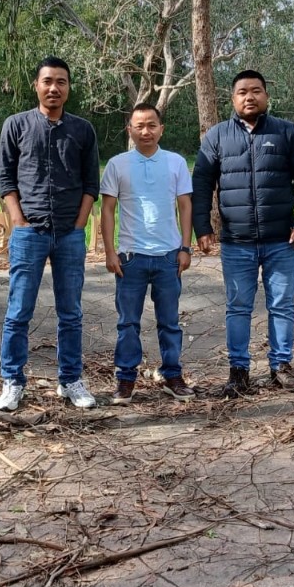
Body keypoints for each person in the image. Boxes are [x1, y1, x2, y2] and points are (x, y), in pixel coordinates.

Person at [191, 69, 294, 398]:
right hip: (236, 242)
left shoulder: (287, 133)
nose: (250, 97)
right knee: (237, 307)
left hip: (281, 239)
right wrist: (202, 226)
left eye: (257, 91)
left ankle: (281, 366)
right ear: (232, 99)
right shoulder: (217, 137)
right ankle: (239, 371)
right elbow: (202, 183)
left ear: (266, 96)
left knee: (281, 305)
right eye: (243, 92)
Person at [0, 57, 100, 411]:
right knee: (18, 310)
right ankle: (12, 381)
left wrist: (80, 225)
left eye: (62, 82)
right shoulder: (17, 125)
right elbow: (6, 180)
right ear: (36, 85)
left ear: (69, 88)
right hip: (29, 234)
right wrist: (19, 223)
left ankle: (71, 380)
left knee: (70, 311)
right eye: (48, 81)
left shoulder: (82, 130)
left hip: (70, 234)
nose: (54, 88)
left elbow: (90, 184)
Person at [100, 103, 196, 405]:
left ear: (161, 129)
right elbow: (107, 209)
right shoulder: (117, 164)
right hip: (131, 257)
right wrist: (110, 252)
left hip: (168, 256)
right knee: (128, 322)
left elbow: (185, 206)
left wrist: (185, 247)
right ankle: (126, 380)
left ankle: (172, 376)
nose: (146, 131)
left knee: (169, 321)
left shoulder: (176, 162)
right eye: (139, 126)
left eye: (152, 125)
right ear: (130, 129)